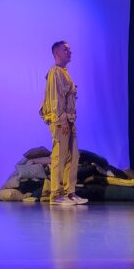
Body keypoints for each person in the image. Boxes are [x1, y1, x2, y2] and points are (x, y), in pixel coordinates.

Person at [40, 41, 88, 206]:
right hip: (61, 121)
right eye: (65, 49)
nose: (69, 52)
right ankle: (56, 195)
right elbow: (56, 99)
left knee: (73, 156)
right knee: (59, 157)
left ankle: (70, 192)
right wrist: (62, 121)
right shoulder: (55, 72)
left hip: (69, 120)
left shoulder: (64, 72)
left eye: (69, 49)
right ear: (56, 53)